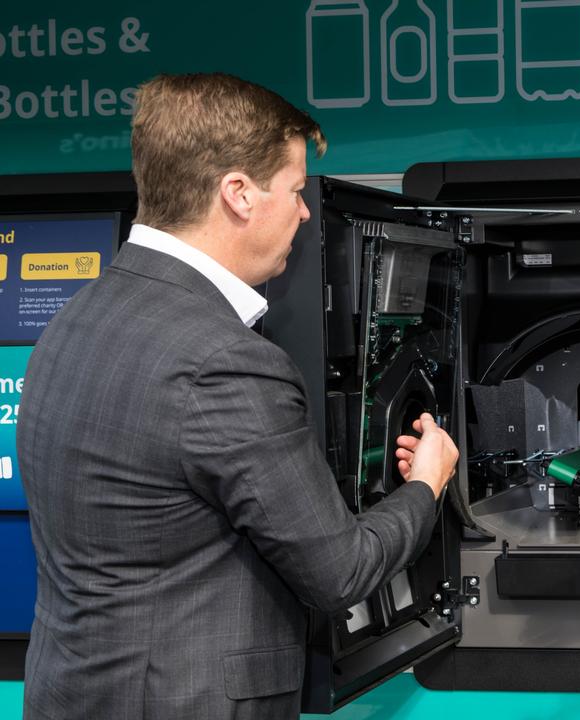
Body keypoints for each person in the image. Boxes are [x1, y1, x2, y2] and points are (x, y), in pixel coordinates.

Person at [17, 73, 458, 720]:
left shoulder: (74, 321)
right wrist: (426, 484)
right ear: (239, 195)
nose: (306, 211)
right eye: (294, 189)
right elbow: (341, 571)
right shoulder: (227, 363)